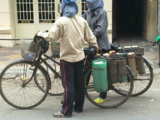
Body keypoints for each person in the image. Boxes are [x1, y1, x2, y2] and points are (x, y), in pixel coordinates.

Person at [34, 0, 99, 118]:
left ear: (63, 8)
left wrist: (41, 34)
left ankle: (66, 111)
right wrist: (96, 46)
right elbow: (90, 36)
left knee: (68, 85)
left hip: (67, 60)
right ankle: (78, 107)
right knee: (79, 83)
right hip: (79, 57)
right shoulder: (81, 20)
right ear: (75, 7)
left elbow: (52, 36)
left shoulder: (61, 21)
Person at [82, 0, 111, 104]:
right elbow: (80, 23)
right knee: (86, 69)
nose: (88, 4)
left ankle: (103, 95)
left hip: (101, 46)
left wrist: (88, 37)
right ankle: (82, 91)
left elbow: (99, 29)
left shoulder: (102, 12)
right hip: (92, 46)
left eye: (90, 2)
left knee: (100, 71)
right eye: (87, 2)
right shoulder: (87, 13)